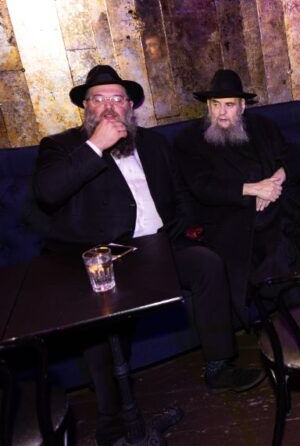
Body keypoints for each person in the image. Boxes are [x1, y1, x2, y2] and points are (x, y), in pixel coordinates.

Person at [32, 65, 265, 445]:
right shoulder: (61, 147)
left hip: (162, 245)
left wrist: (186, 229)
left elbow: (181, 193)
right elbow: (48, 192)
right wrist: (96, 146)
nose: (110, 106)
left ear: (130, 106)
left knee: (207, 264)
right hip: (109, 259)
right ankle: (112, 417)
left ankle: (219, 366)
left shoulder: (153, 143)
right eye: (99, 99)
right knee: (99, 316)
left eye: (118, 98)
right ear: (85, 107)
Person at [174, 69, 300, 322]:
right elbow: (203, 186)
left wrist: (275, 181)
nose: (221, 112)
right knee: (277, 254)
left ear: (242, 106)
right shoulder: (190, 140)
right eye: (215, 104)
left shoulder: (263, 127)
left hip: (283, 204)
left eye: (229, 105)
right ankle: (294, 325)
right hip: (235, 219)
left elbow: (293, 155)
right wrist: (253, 189)